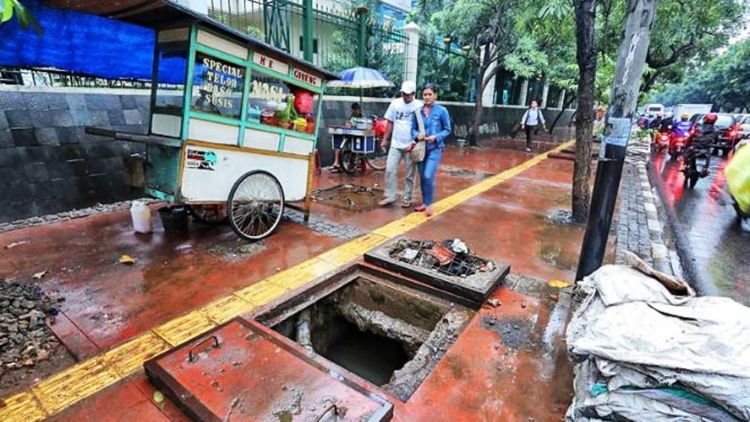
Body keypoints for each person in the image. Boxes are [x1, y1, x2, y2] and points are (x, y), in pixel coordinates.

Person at [378, 81, 423, 207]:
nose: (405, 96)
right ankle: (390, 195)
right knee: (390, 170)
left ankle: (407, 197)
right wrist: (384, 139)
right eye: (404, 93)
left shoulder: (418, 106)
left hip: (410, 146)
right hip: (395, 144)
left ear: (413, 94)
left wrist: (415, 143)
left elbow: (421, 127)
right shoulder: (395, 103)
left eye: (408, 94)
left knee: (410, 174)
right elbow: (390, 122)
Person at [410, 83, 452, 217]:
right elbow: (412, 129)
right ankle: (424, 202)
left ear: (435, 95)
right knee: (422, 176)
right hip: (422, 149)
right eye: (425, 94)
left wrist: (436, 137)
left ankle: (429, 204)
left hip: (435, 148)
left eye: (430, 94)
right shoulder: (418, 112)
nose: (427, 97)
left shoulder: (442, 111)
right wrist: (417, 135)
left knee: (428, 175)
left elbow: (447, 129)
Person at [331, 103, 363, 173]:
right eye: (353, 110)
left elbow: (357, 127)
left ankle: (337, 163)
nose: (354, 111)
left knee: (340, 144)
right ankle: (337, 162)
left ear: (359, 110)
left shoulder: (361, 119)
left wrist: (350, 125)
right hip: (349, 135)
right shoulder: (352, 117)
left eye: (355, 110)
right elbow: (349, 126)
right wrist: (348, 124)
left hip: (355, 137)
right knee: (337, 142)